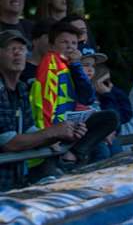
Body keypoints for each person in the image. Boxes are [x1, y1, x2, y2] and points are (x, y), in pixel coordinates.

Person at [0, 30, 87, 188]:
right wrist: (53, 132)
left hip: (14, 179)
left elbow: (29, 129)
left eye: (21, 48)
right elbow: (8, 143)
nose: (17, 53)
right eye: (10, 49)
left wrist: (63, 133)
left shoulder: (21, 88)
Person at [31, 20, 118, 166]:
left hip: (71, 125)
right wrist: (48, 134)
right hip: (54, 130)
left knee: (110, 118)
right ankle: (72, 159)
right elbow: (43, 103)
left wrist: (77, 64)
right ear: (52, 45)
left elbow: (88, 97)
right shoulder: (50, 63)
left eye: (73, 43)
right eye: (64, 42)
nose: (70, 47)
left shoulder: (71, 65)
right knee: (101, 151)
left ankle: (73, 154)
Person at [21, 18, 54, 84]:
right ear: (35, 40)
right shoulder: (20, 68)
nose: (53, 42)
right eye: (50, 38)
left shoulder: (61, 69)